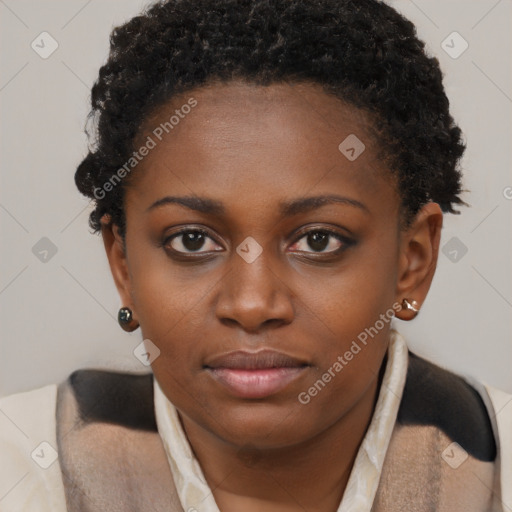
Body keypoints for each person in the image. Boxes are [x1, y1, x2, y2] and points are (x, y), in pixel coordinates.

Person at [1, 0, 510, 510]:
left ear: (412, 261)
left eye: (318, 241)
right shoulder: (20, 472)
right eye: (192, 241)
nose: (251, 304)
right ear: (123, 264)